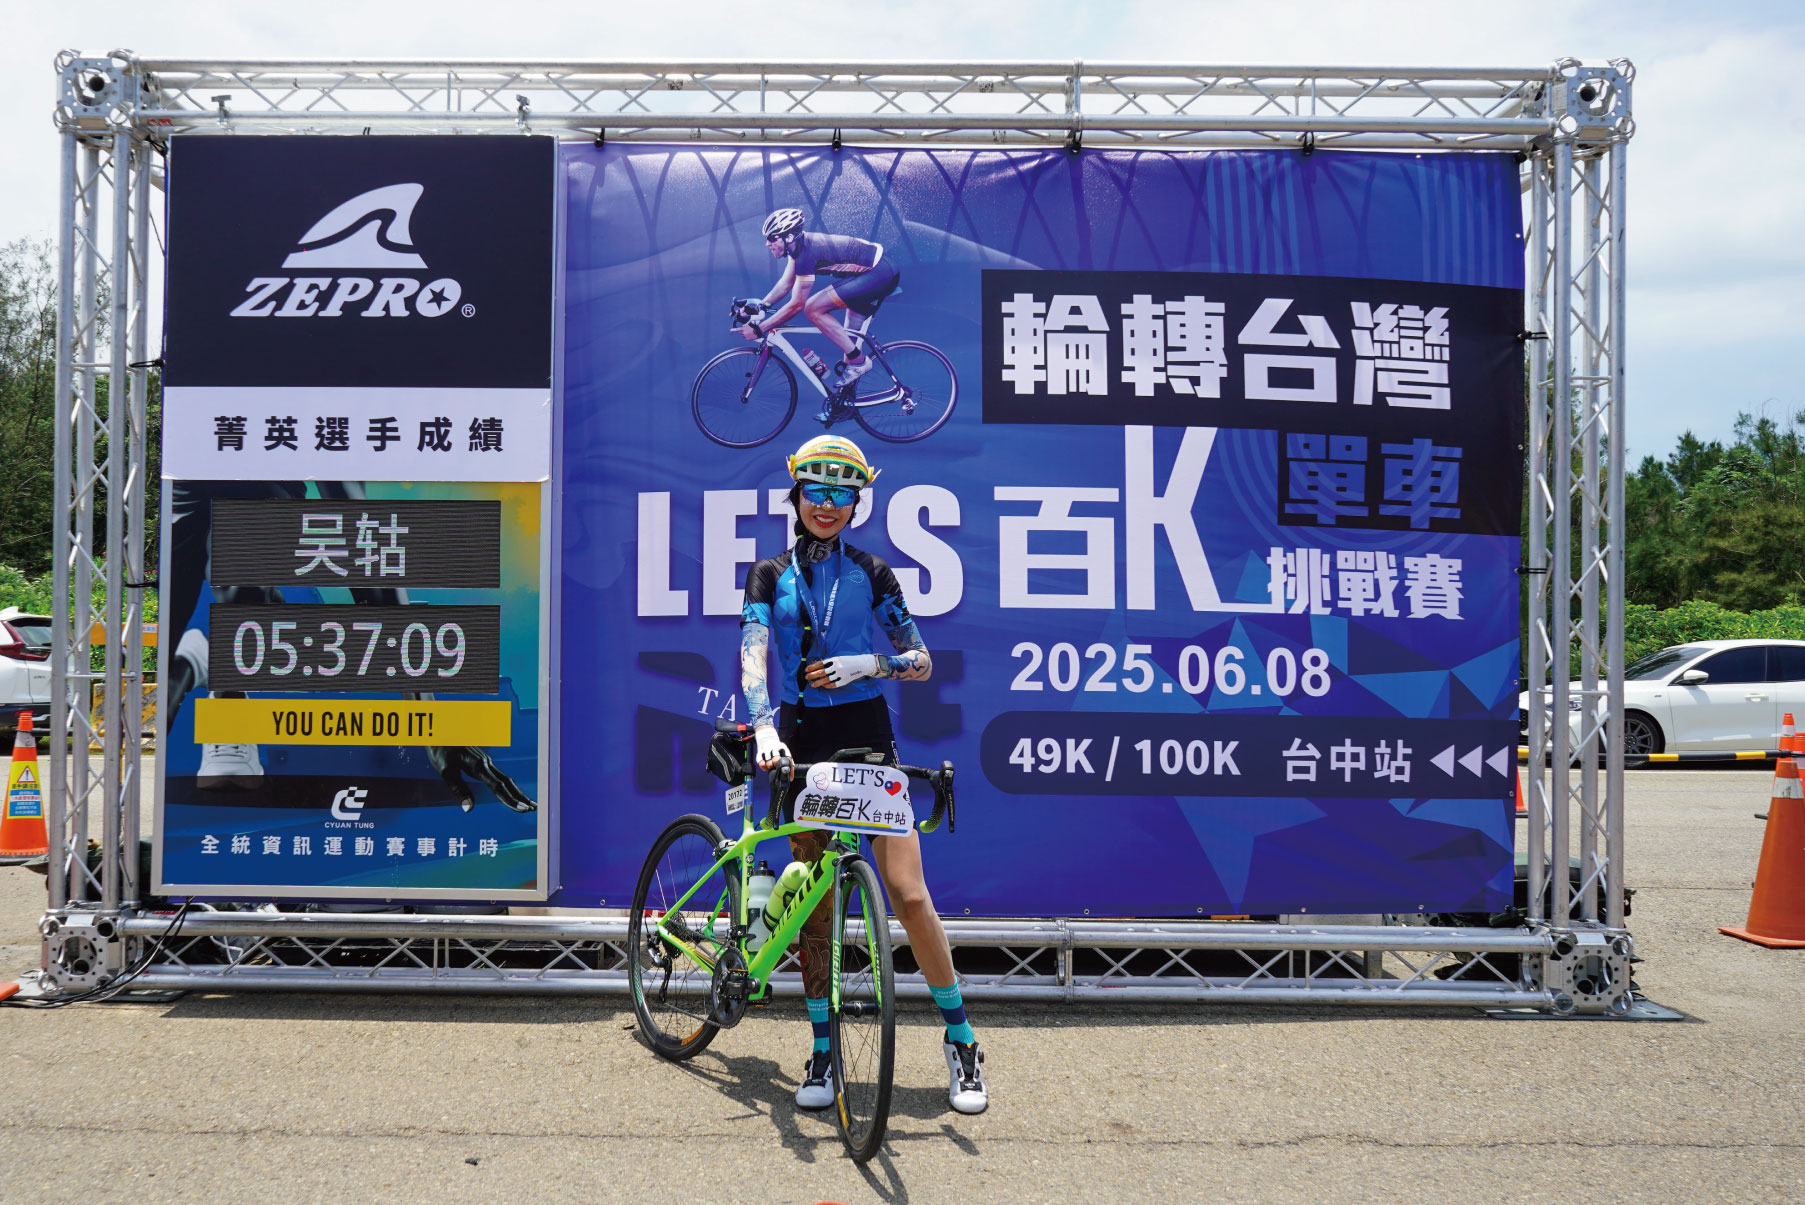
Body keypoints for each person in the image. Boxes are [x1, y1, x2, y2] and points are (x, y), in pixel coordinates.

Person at [739, 434, 988, 1116]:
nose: (827, 506)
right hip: (798, 735)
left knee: (907, 893)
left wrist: (868, 664)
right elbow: (753, 653)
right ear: (796, 495)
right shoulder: (767, 574)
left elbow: (921, 659)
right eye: (816, 492)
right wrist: (763, 726)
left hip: (867, 734)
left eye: (842, 496)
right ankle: (823, 1046)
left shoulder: (872, 572)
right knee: (815, 904)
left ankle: (962, 1040)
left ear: (855, 504)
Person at [737, 208, 901, 400]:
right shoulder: (798, 249)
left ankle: (859, 361)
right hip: (876, 271)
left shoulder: (806, 253)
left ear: (788, 237)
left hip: (879, 273)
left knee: (813, 308)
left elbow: (797, 305)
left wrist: (760, 329)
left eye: (772, 238)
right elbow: (785, 284)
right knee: (847, 345)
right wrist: (760, 306)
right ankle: (845, 401)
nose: (768, 243)